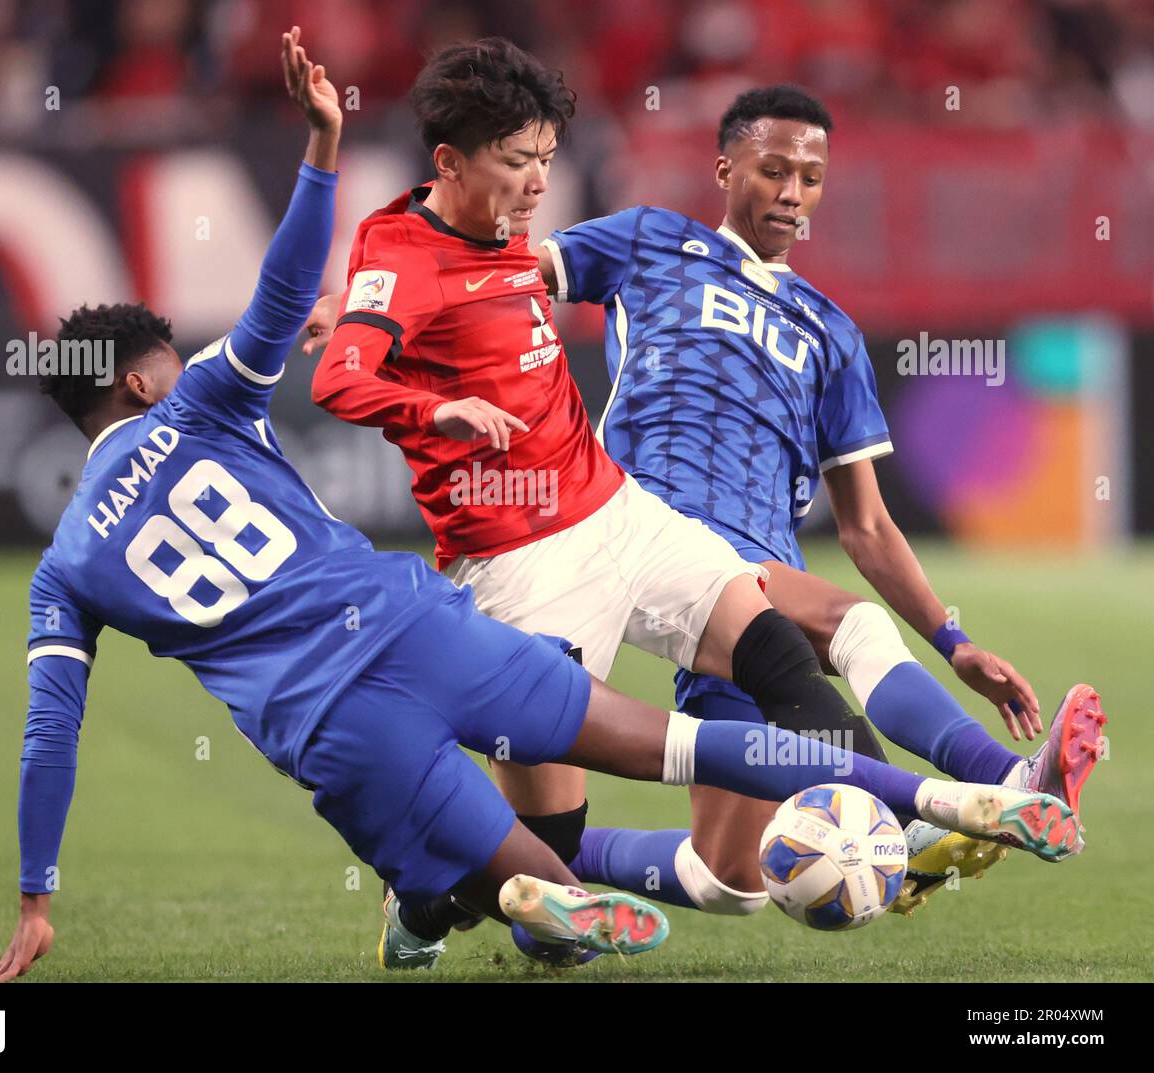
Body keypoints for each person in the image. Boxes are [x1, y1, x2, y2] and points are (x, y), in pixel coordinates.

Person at [306, 40, 1085, 968]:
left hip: (635, 521)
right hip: (526, 558)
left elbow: (867, 524)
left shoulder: (820, 328)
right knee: (548, 873)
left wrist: (954, 641)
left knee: (770, 747)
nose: (538, 185)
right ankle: (433, 895)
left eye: (547, 162)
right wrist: (408, 369)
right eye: (520, 162)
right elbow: (371, 346)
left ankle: (935, 806)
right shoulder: (566, 243)